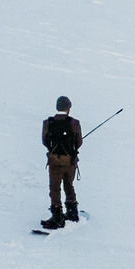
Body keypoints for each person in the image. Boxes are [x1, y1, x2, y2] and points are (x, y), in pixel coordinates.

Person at [41, 96, 82, 228]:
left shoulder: (48, 122)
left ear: (57, 107)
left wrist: (53, 150)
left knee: (55, 188)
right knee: (69, 185)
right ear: (68, 108)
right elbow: (79, 142)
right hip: (70, 161)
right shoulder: (74, 123)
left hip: (55, 161)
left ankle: (57, 217)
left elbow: (45, 141)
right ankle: (72, 212)